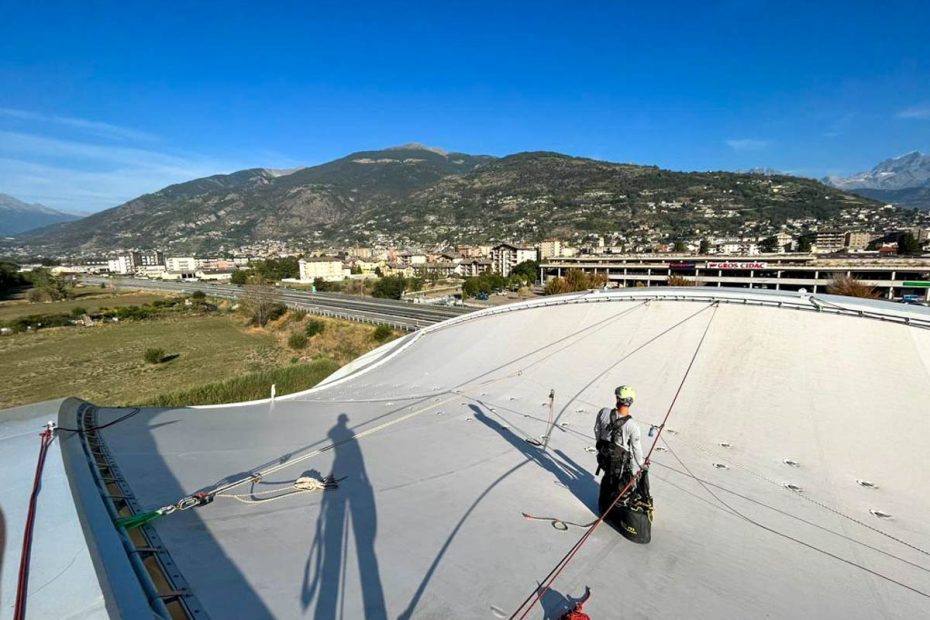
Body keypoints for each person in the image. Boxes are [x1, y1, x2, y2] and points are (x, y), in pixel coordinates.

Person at [593, 385, 653, 543]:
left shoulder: (604, 412)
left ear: (617, 398)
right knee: (621, 485)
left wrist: (601, 444)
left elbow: (597, 430)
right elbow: (636, 448)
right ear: (631, 402)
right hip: (620, 463)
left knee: (608, 479)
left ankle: (604, 506)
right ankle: (613, 512)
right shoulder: (632, 426)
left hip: (604, 458)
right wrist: (642, 465)